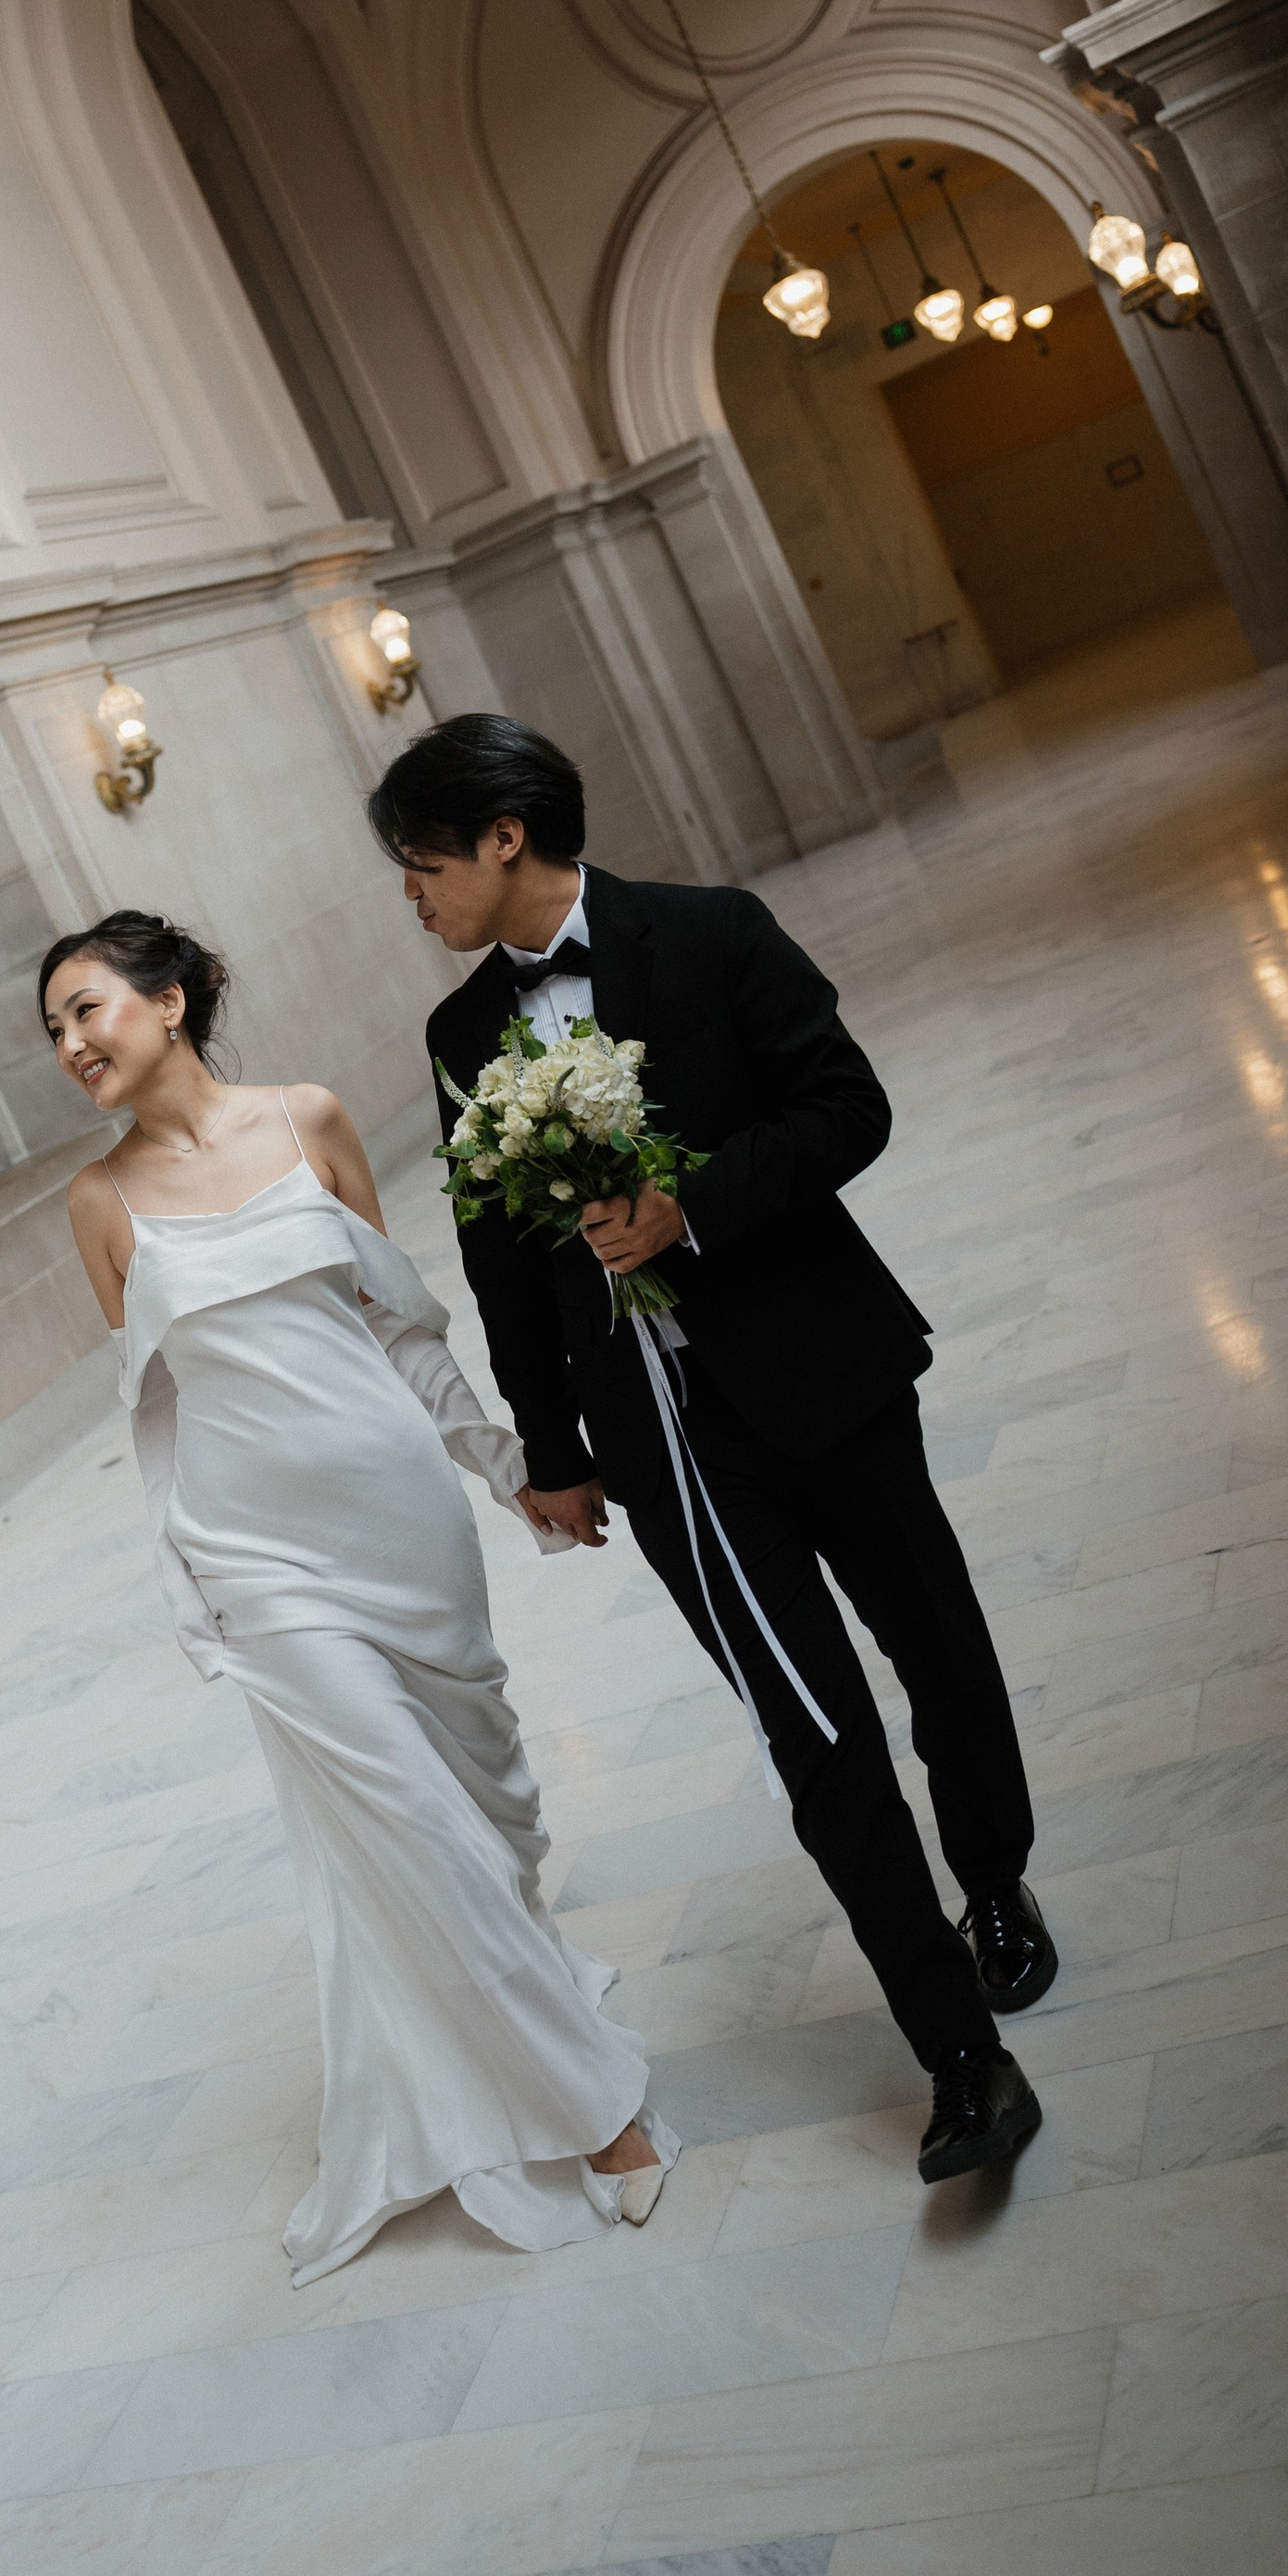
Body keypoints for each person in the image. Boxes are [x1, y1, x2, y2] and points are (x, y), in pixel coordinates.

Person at [372, 712, 1051, 2187]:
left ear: (503, 838)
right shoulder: (457, 1040)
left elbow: (846, 1107)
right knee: (812, 1729)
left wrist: (694, 1208)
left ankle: (993, 1875)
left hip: (825, 1370)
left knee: (931, 1637)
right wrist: (548, 1449)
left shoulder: (712, 933)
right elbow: (499, 1263)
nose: (411, 899)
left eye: (420, 865)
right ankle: (958, 2056)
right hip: (668, 1440)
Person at [44, 907, 680, 2286]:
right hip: (264, 1560)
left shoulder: (309, 1120)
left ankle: (510, 2012)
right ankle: (602, 2113)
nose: (70, 1043)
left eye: (87, 1008)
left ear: (170, 1002)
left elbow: (400, 1325)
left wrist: (508, 1461)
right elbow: (154, 1414)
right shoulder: (100, 1206)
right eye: (53, 1029)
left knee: (484, 1811)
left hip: (401, 1521)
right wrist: (192, 1585)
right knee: (412, 1831)